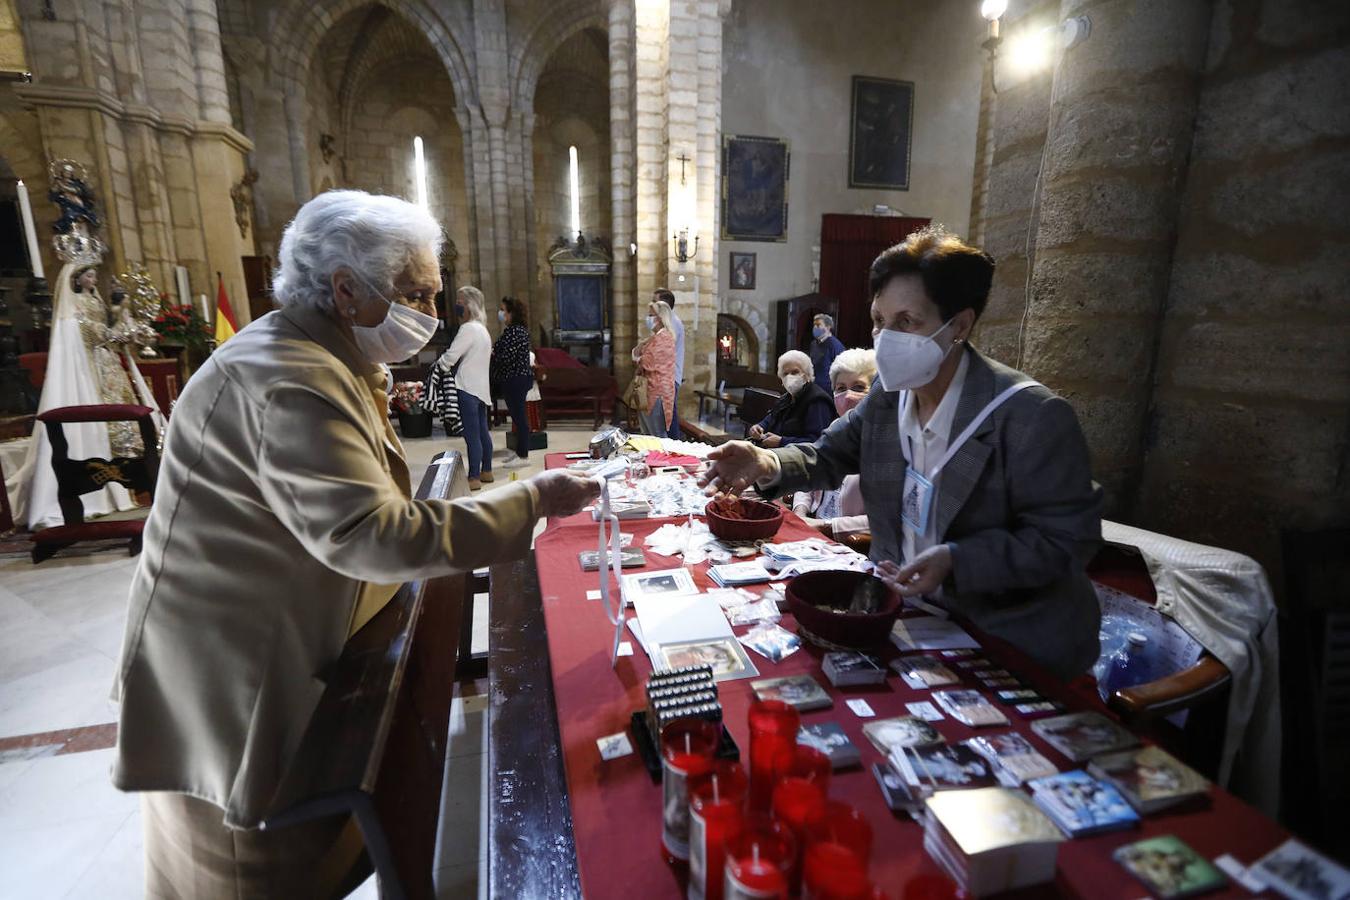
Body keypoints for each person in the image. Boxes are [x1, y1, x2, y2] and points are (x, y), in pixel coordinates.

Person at [110, 190, 600, 897]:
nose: (429, 314)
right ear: (345, 290)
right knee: (243, 875)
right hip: (232, 676)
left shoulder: (314, 352)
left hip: (270, 634)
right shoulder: (286, 377)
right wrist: (533, 499)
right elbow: (375, 534)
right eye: (417, 294)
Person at [701, 225, 1103, 680]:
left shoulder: (1029, 415)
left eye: (906, 322)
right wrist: (766, 461)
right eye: (878, 320)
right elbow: (828, 454)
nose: (885, 337)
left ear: (961, 325)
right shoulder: (889, 399)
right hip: (910, 619)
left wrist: (957, 559)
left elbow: (1068, 540)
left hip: (1007, 638)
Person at [6, 263, 163, 530]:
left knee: (124, 413)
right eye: (88, 275)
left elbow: (107, 330)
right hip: (92, 369)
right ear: (76, 280)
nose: (93, 280)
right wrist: (120, 333)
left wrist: (123, 322)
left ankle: (135, 473)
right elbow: (93, 332)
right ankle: (114, 476)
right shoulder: (75, 305)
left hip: (107, 363)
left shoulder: (95, 300)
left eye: (94, 275)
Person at [791, 348, 875, 537]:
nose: (848, 396)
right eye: (841, 388)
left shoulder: (885, 442)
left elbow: (885, 519)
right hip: (813, 534)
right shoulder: (835, 428)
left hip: (851, 545)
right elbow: (808, 477)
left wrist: (825, 525)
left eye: (859, 387)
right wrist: (800, 512)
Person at [435, 286, 493, 490]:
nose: (457, 305)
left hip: (466, 388)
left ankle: (474, 477)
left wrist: (438, 366)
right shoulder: (483, 329)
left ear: (469, 305)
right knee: (483, 433)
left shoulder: (468, 328)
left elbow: (451, 356)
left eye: (460, 302)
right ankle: (487, 471)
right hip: (481, 389)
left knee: (472, 435)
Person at [748, 350, 834, 447]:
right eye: (785, 374)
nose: (790, 377)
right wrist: (758, 427)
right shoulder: (786, 398)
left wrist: (782, 441)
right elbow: (770, 419)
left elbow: (817, 442)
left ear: (807, 374)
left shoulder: (817, 401)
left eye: (795, 372)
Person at [492, 296, 533, 468]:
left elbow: (507, 357)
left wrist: (493, 354)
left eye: (503, 310)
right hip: (514, 378)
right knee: (517, 418)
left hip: (516, 378)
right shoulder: (513, 331)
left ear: (511, 313)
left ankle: (523, 456)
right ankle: (520, 452)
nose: (501, 313)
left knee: (519, 417)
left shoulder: (516, 332)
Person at [631, 298, 677, 436]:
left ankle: (661, 458)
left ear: (660, 318)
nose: (648, 318)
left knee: (657, 435)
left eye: (651, 315)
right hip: (648, 388)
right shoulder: (655, 337)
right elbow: (637, 353)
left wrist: (638, 359)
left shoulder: (665, 338)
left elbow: (648, 363)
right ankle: (651, 457)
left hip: (658, 392)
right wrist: (638, 354)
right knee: (647, 433)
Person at [656, 287, 684, 439]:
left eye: (655, 301)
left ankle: (675, 450)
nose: (652, 305)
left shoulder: (673, 323)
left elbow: (663, 352)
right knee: (664, 418)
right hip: (665, 377)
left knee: (668, 418)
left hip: (669, 377)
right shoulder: (666, 322)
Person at [808, 313, 846, 393]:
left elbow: (841, 371)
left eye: (818, 325)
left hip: (827, 391)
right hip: (813, 387)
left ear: (828, 327)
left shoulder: (836, 346)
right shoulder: (813, 344)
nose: (815, 328)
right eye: (814, 325)